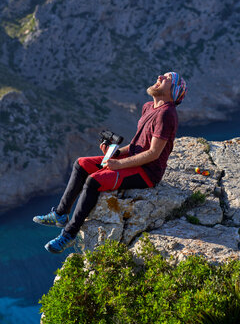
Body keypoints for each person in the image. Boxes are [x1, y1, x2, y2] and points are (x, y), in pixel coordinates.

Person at [33, 72, 187, 253]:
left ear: (173, 91)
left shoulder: (166, 114)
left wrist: (119, 164)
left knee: (94, 180)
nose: (160, 76)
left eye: (167, 78)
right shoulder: (148, 107)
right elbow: (137, 146)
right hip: (132, 162)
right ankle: (60, 214)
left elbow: (153, 153)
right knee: (81, 163)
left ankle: (69, 234)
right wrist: (115, 154)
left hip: (147, 172)